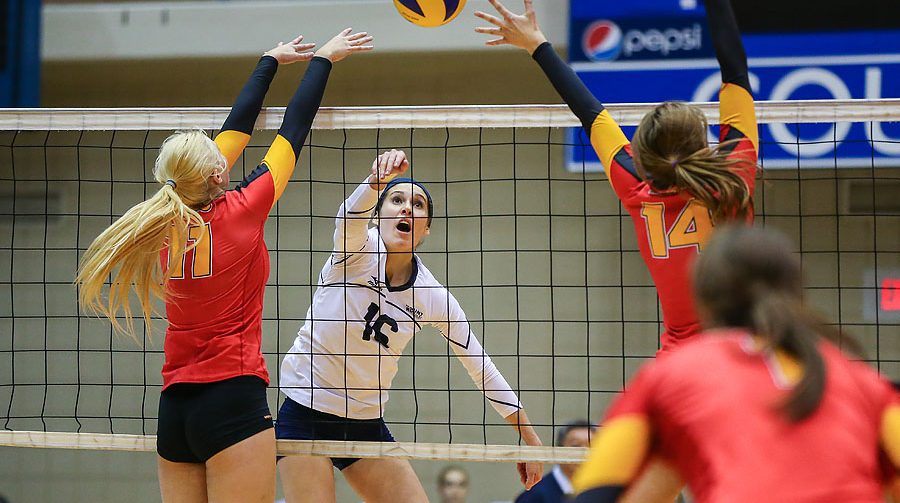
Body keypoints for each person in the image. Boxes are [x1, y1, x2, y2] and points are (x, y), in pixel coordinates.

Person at [76, 28, 373, 503]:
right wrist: (322, 59)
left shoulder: (161, 217)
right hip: (232, 399)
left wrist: (268, 61)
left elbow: (232, 136)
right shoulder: (244, 208)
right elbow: (293, 129)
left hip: (175, 409)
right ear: (217, 174)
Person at [475, 0, 757, 355]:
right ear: (704, 144)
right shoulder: (734, 177)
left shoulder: (638, 190)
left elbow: (590, 114)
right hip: (742, 356)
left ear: (644, 154)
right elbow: (736, 72)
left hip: (678, 366)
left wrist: (536, 45)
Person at [277, 148, 544, 503]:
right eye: (397, 200)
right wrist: (375, 183)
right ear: (377, 216)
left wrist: (530, 438)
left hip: (364, 423)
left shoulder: (432, 296)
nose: (406, 208)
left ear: (426, 228)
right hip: (305, 412)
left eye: (417, 205)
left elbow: (482, 368)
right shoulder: (354, 251)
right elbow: (348, 218)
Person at [568, 225, 900, 503]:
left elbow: (594, 494)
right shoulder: (866, 382)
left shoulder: (670, 376)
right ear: (797, 289)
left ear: (703, 299)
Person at [514, 420, 596, 503]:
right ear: (559, 450)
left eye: (592, 446)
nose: (584, 453)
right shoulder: (534, 496)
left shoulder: (600, 491)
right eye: (576, 446)